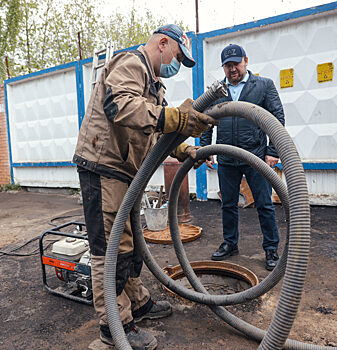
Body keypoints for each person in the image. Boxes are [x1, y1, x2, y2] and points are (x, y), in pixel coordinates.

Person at [73, 24, 218, 350]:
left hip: (124, 172)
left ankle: (136, 301)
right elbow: (120, 108)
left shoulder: (155, 87)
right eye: (178, 57)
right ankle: (114, 323)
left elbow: (150, 131)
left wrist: (181, 148)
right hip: (103, 168)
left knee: (132, 243)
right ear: (163, 43)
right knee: (110, 250)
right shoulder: (131, 64)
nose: (176, 65)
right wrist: (175, 119)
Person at [200, 44, 285, 271]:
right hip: (227, 157)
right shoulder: (217, 91)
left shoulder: (264, 85)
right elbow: (206, 119)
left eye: (236, 64)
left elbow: (277, 119)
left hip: (256, 156)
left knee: (265, 205)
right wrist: (204, 147)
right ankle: (230, 243)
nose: (232, 69)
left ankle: (270, 249)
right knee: (228, 204)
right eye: (228, 66)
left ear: (246, 61)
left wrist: (273, 151)